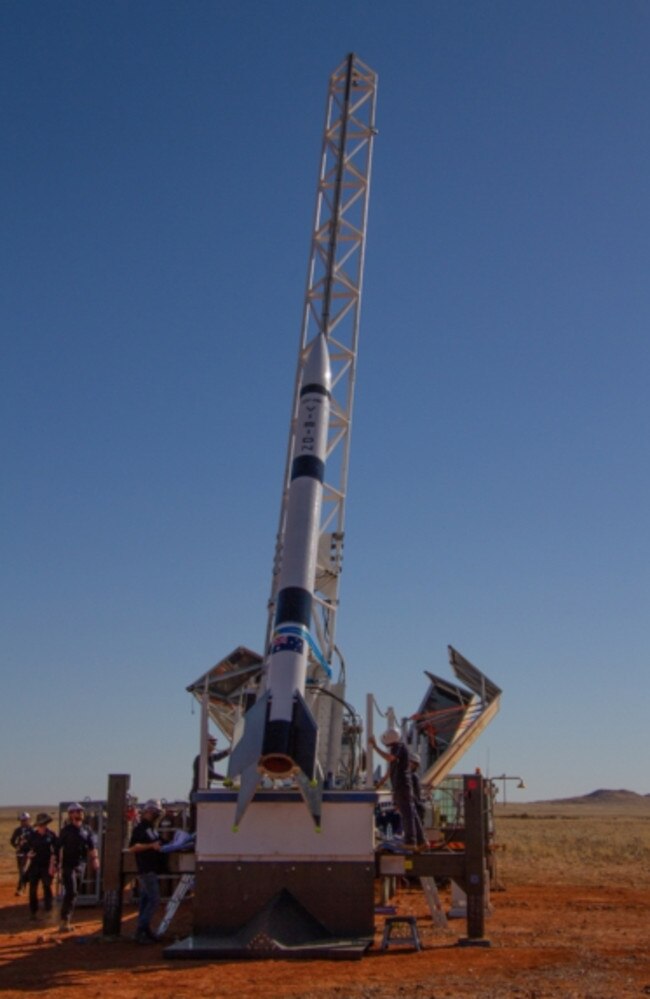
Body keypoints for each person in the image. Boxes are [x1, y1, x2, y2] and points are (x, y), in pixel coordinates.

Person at [370, 729, 427, 851]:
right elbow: (390, 770)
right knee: (411, 813)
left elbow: (390, 758)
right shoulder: (399, 749)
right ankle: (421, 841)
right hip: (402, 786)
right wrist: (380, 784)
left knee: (407, 814)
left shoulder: (398, 747)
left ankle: (411, 841)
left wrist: (375, 747)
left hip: (402, 786)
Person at [57, 803, 100, 932]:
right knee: (71, 891)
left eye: (80, 811)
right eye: (76, 811)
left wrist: (95, 859)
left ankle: (67, 919)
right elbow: (58, 848)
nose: (79, 813)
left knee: (75, 893)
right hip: (68, 865)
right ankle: (64, 921)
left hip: (81, 865)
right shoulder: (66, 830)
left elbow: (92, 847)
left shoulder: (86, 830)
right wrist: (55, 865)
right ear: (70, 815)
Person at [128, 799, 164, 943]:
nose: (156, 815)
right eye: (154, 812)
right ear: (148, 811)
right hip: (145, 868)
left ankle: (144, 930)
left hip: (152, 868)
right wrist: (150, 846)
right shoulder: (140, 829)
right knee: (154, 899)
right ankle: (141, 929)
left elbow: (159, 841)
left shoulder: (152, 829)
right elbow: (133, 847)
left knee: (145, 900)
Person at [189, 734, 230, 833]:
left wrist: (229, 750)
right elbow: (210, 774)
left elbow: (218, 757)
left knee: (201, 821)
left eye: (215, 743)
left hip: (201, 794)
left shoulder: (208, 757)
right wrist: (226, 780)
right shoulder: (201, 759)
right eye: (212, 742)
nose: (214, 745)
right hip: (197, 794)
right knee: (196, 822)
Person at [23, 813, 59, 920]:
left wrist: (54, 864)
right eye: (41, 824)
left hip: (47, 865)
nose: (43, 826)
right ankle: (33, 912)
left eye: (44, 824)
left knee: (47, 887)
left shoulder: (51, 835)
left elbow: (57, 849)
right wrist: (28, 853)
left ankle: (49, 910)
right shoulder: (31, 835)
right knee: (33, 889)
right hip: (34, 865)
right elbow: (24, 847)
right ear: (38, 825)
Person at [10, 812, 32, 896]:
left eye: (25, 820)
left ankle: (21, 887)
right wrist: (17, 846)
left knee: (24, 870)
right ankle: (21, 887)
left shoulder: (31, 830)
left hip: (29, 853)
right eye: (22, 820)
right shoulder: (17, 830)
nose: (23, 822)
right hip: (20, 853)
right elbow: (12, 841)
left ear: (28, 820)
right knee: (21, 870)